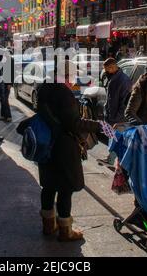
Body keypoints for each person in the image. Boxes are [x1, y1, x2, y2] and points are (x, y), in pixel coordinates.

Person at [17, 61, 100, 242]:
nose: (74, 80)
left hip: (46, 148)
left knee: (48, 187)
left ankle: (48, 225)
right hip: (63, 148)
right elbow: (73, 124)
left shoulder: (44, 89)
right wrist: (97, 125)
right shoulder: (64, 93)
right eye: (72, 76)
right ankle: (65, 230)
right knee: (65, 189)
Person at [100, 58, 132, 165]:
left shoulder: (123, 80)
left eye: (107, 70)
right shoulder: (113, 78)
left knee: (117, 140)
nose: (106, 72)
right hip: (112, 116)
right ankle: (113, 160)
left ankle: (113, 161)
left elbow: (124, 103)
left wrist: (118, 119)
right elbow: (110, 98)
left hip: (119, 119)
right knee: (115, 139)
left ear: (113, 67)